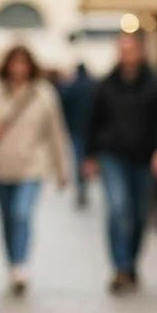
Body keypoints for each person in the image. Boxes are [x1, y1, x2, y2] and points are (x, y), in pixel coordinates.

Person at [0, 45, 71, 295]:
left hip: (33, 166)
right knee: (7, 219)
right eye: (15, 63)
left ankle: (21, 265)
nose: (19, 68)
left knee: (21, 214)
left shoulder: (44, 93)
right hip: (1, 166)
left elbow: (56, 132)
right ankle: (13, 262)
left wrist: (62, 170)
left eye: (23, 63)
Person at [83, 31, 157, 294]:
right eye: (121, 49)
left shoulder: (156, 82)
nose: (125, 55)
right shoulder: (107, 83)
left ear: (140, 51)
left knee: (138, 214)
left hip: (145, 156)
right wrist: (90, 155)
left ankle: (131, 262)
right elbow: (93, 121)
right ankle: (120, 267)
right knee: (117, 207)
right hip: (113, 155)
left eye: (130, 49)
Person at [57, 61, 96, 208]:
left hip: (76, 129)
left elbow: (64, 107)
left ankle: (81, 187)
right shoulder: (93, 86)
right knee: (86, 158)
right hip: (89, 129)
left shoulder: (72, 87)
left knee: (78, 159)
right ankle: (84, 185)